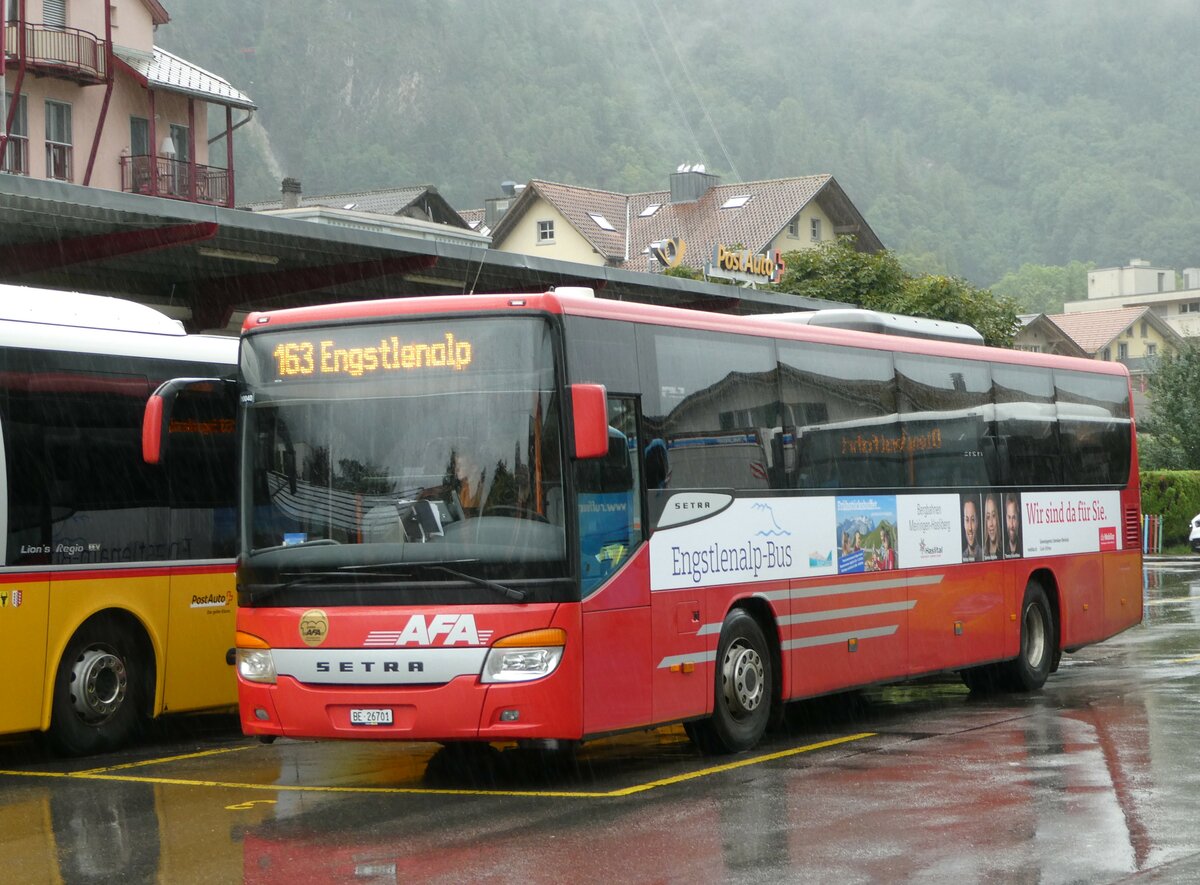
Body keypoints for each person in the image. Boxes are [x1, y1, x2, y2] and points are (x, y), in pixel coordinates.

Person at [982, 493, 1001, 560]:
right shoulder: (982, 554)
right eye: (988, 517)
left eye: (993, 516)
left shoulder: (1004, 551)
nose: (991, 524)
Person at [962, 495, 981, 562]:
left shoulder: (984, 554)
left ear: (977, 522)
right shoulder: (962, 557)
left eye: (973, 520)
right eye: (967, 520)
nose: (970, 528)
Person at [1004, 492, 1022, 558]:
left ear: (1018, 520)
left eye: (1014, 518)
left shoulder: (1023, 548)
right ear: (1005, 518)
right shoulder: (1002, 550)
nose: (1011, 525)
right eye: (1009, 517)